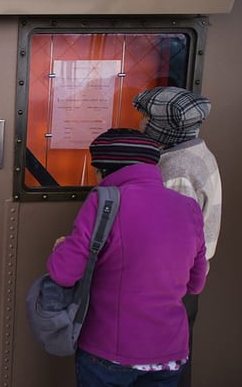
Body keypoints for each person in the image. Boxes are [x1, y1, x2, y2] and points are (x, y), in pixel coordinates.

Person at [47, 128, 207, 387]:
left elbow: (64, 273)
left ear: (104, 170)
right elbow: (196, 284)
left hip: (109, 350)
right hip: (169, 352)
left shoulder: (103, 201)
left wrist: (59, 249)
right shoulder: (189, 207)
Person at [132, 86, 221, 387]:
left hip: (171, 285)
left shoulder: (175, 169)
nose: (140, 123)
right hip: (186, 281)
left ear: (162, 126)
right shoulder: (197, 151)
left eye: (145, 117)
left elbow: (169, 241)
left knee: (161, 370)